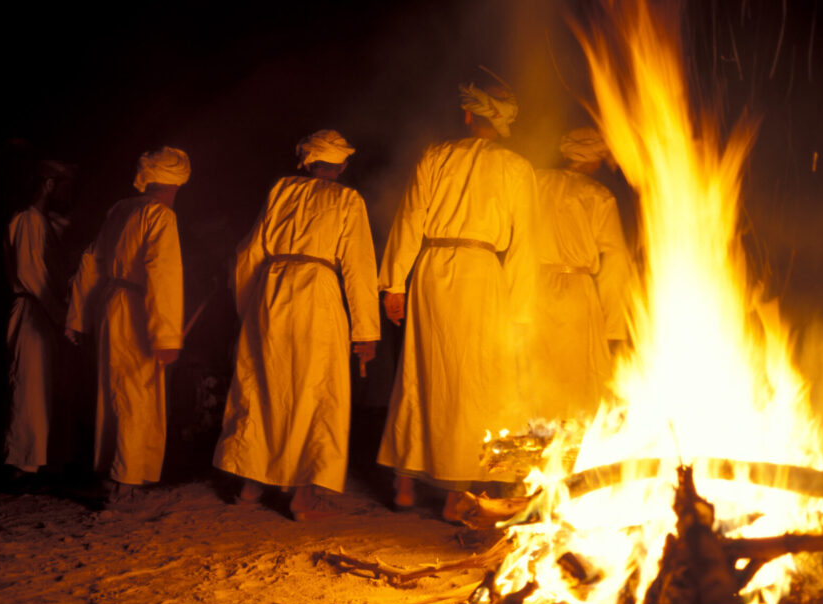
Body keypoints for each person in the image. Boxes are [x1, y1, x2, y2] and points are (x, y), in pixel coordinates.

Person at [377, 77, 539, 522]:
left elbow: (411, 214)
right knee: (475, 380)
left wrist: (395, 282)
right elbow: (525, 242)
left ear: (468, 115)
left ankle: (405, 485)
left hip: (431, 269)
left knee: (421, 371)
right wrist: (521, 311)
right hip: (482, 275)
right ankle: (456, 494)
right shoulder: (516, 166)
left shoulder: (436, 155)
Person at [213, 130, 380, 521]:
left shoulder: (281, 190)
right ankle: (303, 495)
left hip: (271, 292)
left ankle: (252, 484)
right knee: (316, 389)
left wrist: (248, 310)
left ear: (307, 161)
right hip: (317, 295)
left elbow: (249, 251)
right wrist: (365, 331)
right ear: (340, 164)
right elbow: (358, 266)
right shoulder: (347, 199)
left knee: (264, 383)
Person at [65, 147, 190, 501]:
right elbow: (163, 274)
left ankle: (112, 468)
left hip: (109, 304)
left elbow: (91, 261)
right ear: (176, 183)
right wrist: (166, 335)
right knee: (136, 390)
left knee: (114, 388)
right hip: (137, 306)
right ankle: (128, 477)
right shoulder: (160, 215)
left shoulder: (121, 209)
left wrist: (79, 317)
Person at [531, 127, 633, 420]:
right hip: (577, 291)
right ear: (594, 160)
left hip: (535, 287)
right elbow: (616, 259)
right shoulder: (598, 195)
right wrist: (613, 326)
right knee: (578, 374)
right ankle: (571, 443)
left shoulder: (535, 181)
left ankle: (538, 439)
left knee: (537, 367)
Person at [2, 160, 74, 488]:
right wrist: (61, 315)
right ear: (47, 185)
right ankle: (21, 467)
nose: (66, 192)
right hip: (33, 311)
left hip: (42, 312)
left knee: (43, 387)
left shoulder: (42, 222)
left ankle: (37, 463)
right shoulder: (29, 220)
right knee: (29, 387)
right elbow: (30, 273)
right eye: (61, 184)